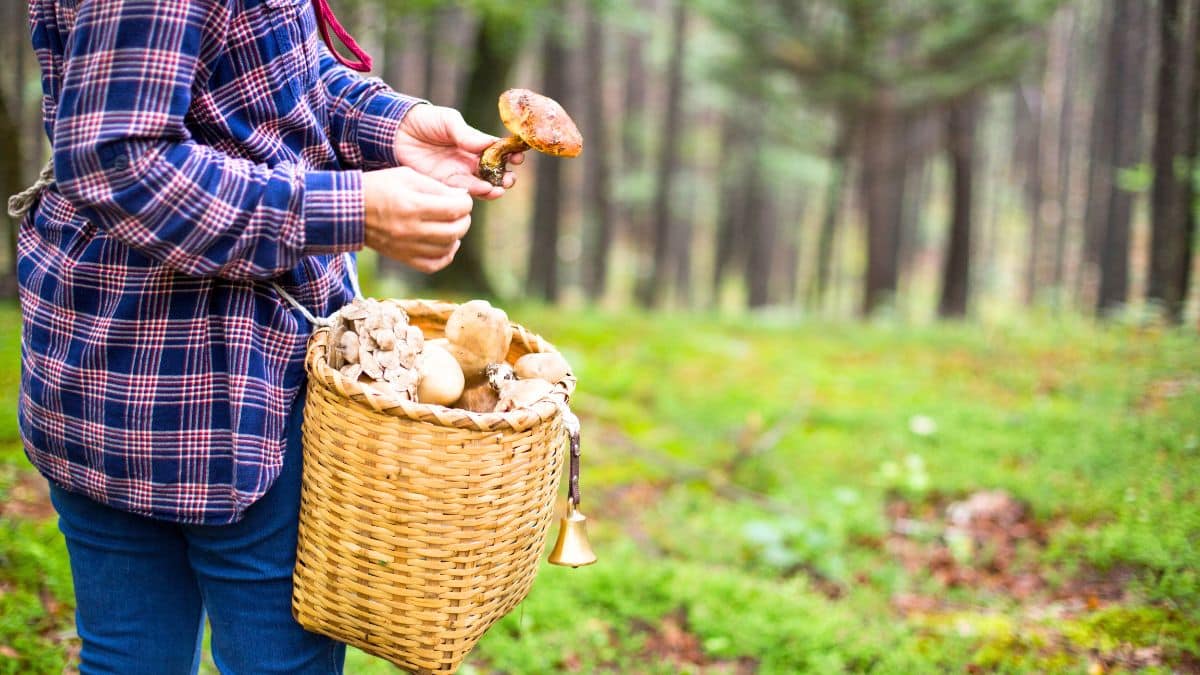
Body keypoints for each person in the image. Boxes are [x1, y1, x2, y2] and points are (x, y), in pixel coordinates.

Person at [15, 1, 522, 673]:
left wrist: (392, 125)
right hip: (228, 387)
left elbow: (256, 74)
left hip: (104, 363)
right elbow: (118, 158)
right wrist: (350, 207)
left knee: (128, 654)